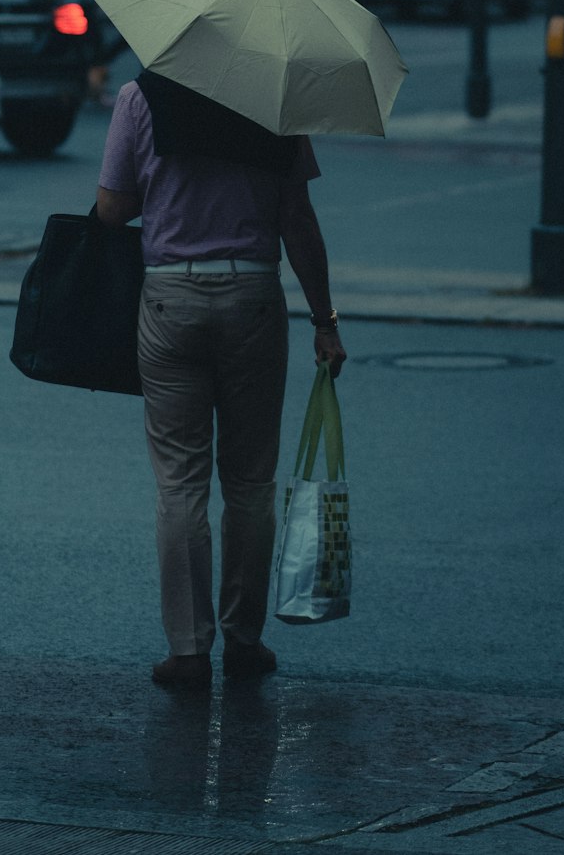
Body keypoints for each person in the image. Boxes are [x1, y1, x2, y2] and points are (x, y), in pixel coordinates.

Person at [95, 69, 346, 689]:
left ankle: (187, 649)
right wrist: (325, 322)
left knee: (180, 482)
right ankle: (243, 637)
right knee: (251, 482)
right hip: (253, 295)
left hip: (170, 296)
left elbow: (112, 209)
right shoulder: (275, 99)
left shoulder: (139, 96)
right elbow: (298, 221)